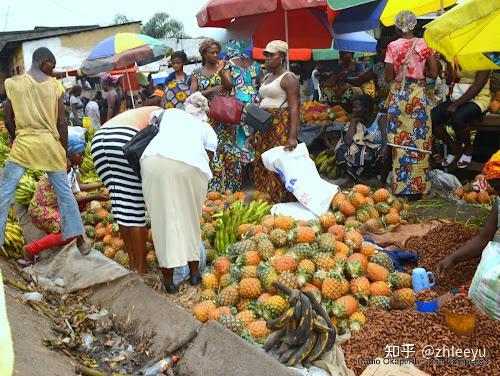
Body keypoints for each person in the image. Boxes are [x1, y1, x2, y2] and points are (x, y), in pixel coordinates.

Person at [1, 47, 88, 254]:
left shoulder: (13, 83)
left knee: (4, 192)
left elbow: (7, 118)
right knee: (65, 195)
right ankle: (81, 241)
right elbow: (61, 122)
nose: (53, 71)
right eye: (53, 66)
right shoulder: (55, 86)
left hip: (24, 145)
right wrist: (63, 151)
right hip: (49, 145)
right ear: (45, 61)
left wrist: (17, 137)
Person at [141, 93, 217, 293]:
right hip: (189, 167)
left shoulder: (168, 113)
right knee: (190, 220)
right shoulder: (206, 128)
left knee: (162, 221)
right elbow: (206, 159)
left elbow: (150, 123)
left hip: (153, 162)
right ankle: (194, 275)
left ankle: (169, 281)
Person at [90, 106, 161, 276]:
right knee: (135, 208)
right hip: (124, 138)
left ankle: (133, 265)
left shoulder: (141, 111)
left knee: (122, 206)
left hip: (98, 141)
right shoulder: (164, 114)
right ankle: (142, 269)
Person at [22, 136, 107, 263]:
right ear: (69, 154)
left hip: (56, 206)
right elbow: (69, 199)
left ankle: (58, 227)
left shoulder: (70, 168)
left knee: (83, 201)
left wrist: (101, 184)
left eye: (84, 154)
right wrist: (96, 196)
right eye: (80, 154)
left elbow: (78, 187)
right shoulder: (60, 170)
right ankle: (30, 250)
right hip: (41, 210)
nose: (83, 157)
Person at [437, 151, 500, 319]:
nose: (497, 192)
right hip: (492, 278)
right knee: (439, 305)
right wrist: (453, 258)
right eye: (495, 187)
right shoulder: (498, 204)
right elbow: (483, 238)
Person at [384, 10, 438, 198]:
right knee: (420, 140)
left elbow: (388, 76)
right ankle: (422, 189)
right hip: (418, 98)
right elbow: (433, 72)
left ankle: (402, 190)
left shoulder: (392, 46)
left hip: (399, 97)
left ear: (398, 27)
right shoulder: (424, 44)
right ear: (414, 25)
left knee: (400, 143)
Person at [250, 40, 300, 203]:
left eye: (271, 55)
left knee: (277, 162)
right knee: (262, 160)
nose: (267, 58)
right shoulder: (267, 77)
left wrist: (292, 136)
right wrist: (253, 132)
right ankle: (263, 198)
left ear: (282, 56)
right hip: (263, 124)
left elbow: (294, 108)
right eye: (266, 55)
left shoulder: (289, 78)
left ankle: (278, 200)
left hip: (279, 124)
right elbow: (260, 104)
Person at [191, 38, 239, 193]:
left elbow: (229, 85)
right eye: (212, 52)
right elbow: (193, 95)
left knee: (231, 153)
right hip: (207, 118)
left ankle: (233, 192)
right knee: (212, 153)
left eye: (217, 52)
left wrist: (220, 71)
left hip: (226, 116)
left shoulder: (225, 66)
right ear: (204, 54)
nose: (216, 55)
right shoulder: (197, 73)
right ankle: (215, 193)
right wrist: (211, 90)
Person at [432, 66, 491, 169]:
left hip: (478, 99)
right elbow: (450, 82)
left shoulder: (483, 60)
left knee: (458, 118)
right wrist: (450, 72)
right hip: (458, 97)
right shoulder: (459, 58)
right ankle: (454, 147)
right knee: (432, 118)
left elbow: (478, 86)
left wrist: (455, 105)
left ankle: (468, 148)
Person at [226, 40, 262, 170]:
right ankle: (256, 167)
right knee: (254, 133)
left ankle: (244, 168)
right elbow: (261, 83)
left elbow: (228, 84)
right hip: (255, 102)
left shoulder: (228, 65)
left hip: (238, 103)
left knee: (240, 135)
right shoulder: (255, 64)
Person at [335, 94, 388, 184]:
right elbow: (348, 141)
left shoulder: (380, 118)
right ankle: (356, 177)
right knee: (342, 149)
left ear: (366, 108)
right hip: (365, 151)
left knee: (365, 152)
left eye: (356, 107)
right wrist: (353, 122)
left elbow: (386, 139)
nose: (353, 110)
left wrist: (384, 149)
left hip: (378, 151)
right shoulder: (358, 121)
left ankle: (380, 181)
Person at [347, 39, 391, 108]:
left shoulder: (399, 65)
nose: (377, 55)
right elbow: (359, 81)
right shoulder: (378, 66)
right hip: (382, 102)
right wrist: (343, 78)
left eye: (378, 52)